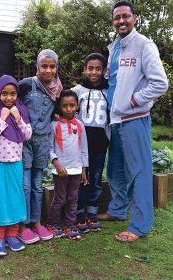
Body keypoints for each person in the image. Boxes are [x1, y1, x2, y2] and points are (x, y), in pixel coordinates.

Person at [97, 0, 168, 241]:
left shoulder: (144, 45)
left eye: (126, 16)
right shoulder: (114, 47)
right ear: (113, 21)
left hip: (134, 118)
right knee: (115, 169)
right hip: (115, 120)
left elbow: (160, 83)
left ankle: (140, 225)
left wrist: (135, 100)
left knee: (138, 171)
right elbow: (112, 80)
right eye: (117, 18)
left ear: (134, 18)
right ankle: (117, 210)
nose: (121, 21)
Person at [17, 49, 63, 244]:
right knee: (25, 185)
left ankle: (36, 222)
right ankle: (22, 225)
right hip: (25, 140)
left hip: (43, 141)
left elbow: (58, 110)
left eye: (52, 66)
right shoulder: (27, 85)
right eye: (44, 66)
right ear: (37, 67)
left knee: (37, 185)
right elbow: (10, 101)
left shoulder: (57, 88)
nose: (48, 70)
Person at [0, 75, 32, 256]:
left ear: (17, 95)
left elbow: (28, 135)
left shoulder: (21, 110)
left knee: (15, 199)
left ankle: (11, 236)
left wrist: (18, 119)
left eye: (13, 94)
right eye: (4, 93)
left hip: (15, 162)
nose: (9, 97)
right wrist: (2, 119)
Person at [72, 53, 110, 233]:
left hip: (100, 144)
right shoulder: (77, 91)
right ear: (85, 69)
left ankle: (92, 213)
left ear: (103, 71)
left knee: (95, 179)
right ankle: (78, 213)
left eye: (98, 69)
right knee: (81, 179)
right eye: (90, 68)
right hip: (81, 144)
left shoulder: (109, 90)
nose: (94, 72)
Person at [47, 90, 88, 240]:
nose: (69, 109)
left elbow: (84, 149)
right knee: (60, 198)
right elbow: (50, 148)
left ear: (77, 106)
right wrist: (56, 163)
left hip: (76, 169)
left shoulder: (80, 125)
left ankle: (70, 225)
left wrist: (83, 168)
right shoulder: (54, 125)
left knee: (73, 198)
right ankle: (53, 223)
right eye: (65, 106)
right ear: (59, 106)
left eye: (72, 105)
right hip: (60, 170)